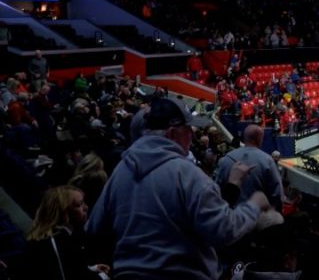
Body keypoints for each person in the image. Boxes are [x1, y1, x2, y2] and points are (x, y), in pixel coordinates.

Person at [85, 97, 269, 280]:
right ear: (173, 133)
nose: (192, 134)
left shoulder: (121, 171)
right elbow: (223, 231)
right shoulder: (186, 173)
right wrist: (253, 206)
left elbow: (94, 228)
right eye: (188, 128)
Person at [17, 186, 109, 280]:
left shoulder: (64, 236)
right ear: (64, 212)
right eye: (79, 205)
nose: (86, 208)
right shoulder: (55, 241)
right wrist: (102, 277)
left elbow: (71, 268)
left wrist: (91, 269)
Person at [215, 124, 284, 209]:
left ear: (244, 138)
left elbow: (216, 188)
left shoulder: (226, 158)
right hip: (257, 216)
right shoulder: (267, 161)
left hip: (230, 215)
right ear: (260, 139)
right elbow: (276, 193)